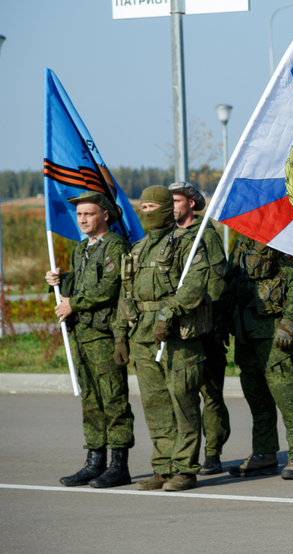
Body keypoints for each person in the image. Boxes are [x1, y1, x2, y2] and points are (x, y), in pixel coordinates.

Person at [112, 185, 210, 492]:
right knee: (155, 406)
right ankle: (163, 466)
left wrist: (169, 313)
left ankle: (185, 468)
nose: (147, 213)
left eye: (153, 207)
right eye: (143, 208)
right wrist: (119, 335)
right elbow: (126, 294)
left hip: (177, 336)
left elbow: (194, 285)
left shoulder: (188, 244)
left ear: (169, 209)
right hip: (143, 337)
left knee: (182, 401)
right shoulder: (137, 249)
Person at [45, 192, 135, 489]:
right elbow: (83, 285)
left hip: (105, 335)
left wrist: (73, 303)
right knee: (91, 400)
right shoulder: (82, 248)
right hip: (82, 334)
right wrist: (60, 282)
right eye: (80, 215)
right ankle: (94, 461)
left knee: (113, 398)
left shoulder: (116, 245)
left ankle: (118, 465)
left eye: (89, 214)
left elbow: (110, 288)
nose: (83, 219)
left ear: (105, 215)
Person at [227, 233, 293, 481]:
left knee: (289, 396)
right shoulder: (242, 240)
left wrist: (289, 321)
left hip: (274, 333)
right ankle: (264, 454)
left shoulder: (282, 236)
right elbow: (230, 281)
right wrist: (221, 322)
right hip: (245, 332)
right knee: (257, 399)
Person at [169, 181, 231, 476]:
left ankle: (213, 452)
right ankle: (181, 454)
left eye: (177, 200)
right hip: (178, 330)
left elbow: (219, 278)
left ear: (191, 203)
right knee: (182, 393)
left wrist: (218, 323)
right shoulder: (167, 236)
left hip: (206, 328)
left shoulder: (205, 234)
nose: (172, 206)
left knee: (211, 393)